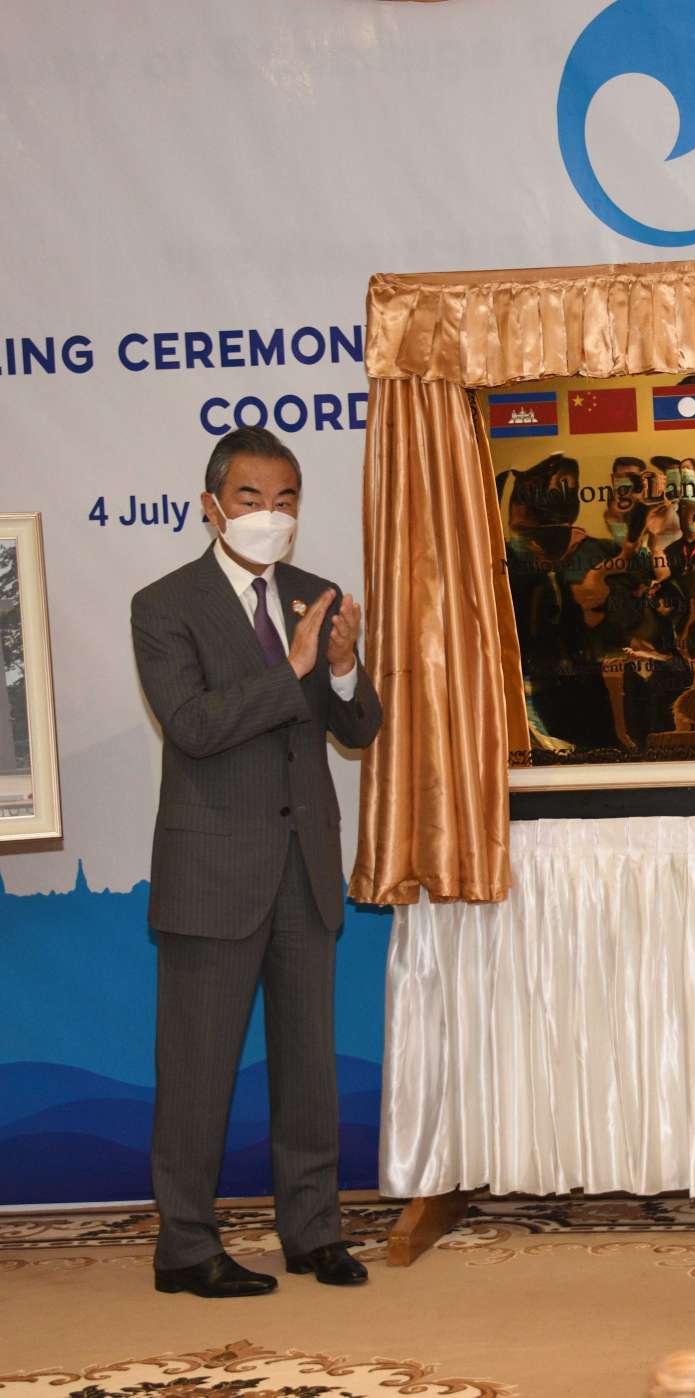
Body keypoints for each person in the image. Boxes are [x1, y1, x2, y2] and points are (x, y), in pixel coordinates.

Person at [131, 426, 382, 1298]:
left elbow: (358, 729)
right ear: (212, 506)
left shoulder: (316, 595)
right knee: (197, 1070)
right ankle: (184, 1247)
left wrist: (342, 670)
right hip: (212, 873)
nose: (269, 515)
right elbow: (193, 727)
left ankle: (313, 1233)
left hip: (304, 865)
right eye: (250, 498)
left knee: (310, 1066)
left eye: (285, 500)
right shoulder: (165, 605)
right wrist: (298, 665)